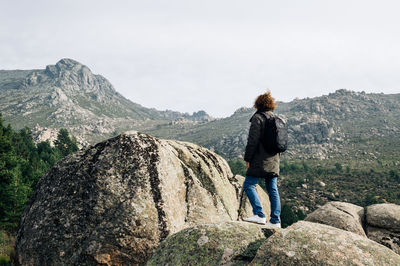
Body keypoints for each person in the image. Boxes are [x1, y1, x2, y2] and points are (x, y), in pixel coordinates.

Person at [243, 91, 281, 228]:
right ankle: (276, 221)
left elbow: (252, 141)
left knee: (248, 185)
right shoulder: (276, 119)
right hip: (274, 161)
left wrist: (248, 159)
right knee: (273, 189)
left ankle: (259, 214)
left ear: (257, 104)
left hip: (259, 160)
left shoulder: (258, 118)